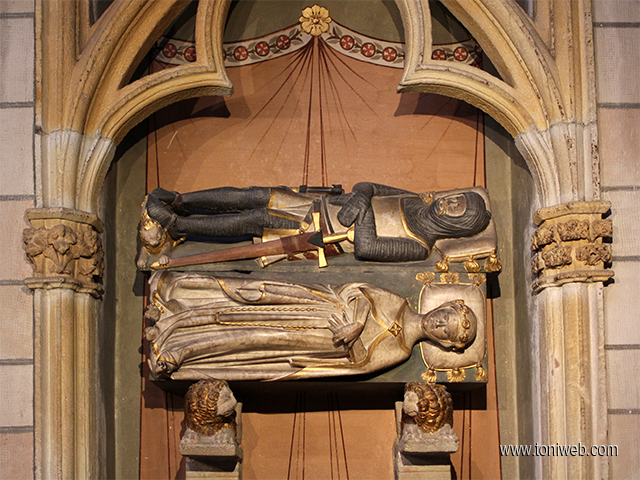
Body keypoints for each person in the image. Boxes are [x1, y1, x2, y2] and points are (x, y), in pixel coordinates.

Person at [145, 272, 477, 381]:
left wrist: (352, 340)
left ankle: (179, 351)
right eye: (445, 316)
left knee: (252, 338)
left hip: (319, 344)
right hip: (316, 309)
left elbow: (360, 364)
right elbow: (360, 292)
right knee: (246, 302)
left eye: (446, 330)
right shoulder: (400, 303)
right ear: (440, 306)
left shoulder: (402, 351)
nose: (439, 323)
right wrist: (357, 323)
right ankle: (175, 309)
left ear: (445, 345)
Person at [137, 182, 491, 267]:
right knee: (255, 194)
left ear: (455, 226)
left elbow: (367, 248)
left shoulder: (418, 245)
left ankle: (179, 227)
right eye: (455, 198)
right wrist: (361, 197)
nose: (448, 201)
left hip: (317, 236)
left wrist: (361, 208)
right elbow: (368, 186)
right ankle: (180, 200)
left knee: (254, 219)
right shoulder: (412, 198)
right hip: (319, 204)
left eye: (455, 208)